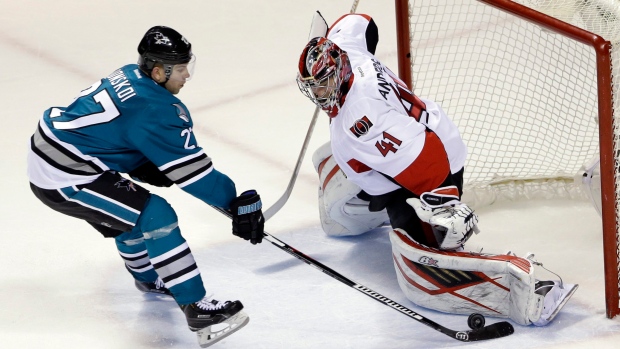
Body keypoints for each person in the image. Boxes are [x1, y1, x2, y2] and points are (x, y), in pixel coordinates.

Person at [295, 13, 577, 327]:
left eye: (324, 84)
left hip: (432, 167)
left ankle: (525, 286)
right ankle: (376, 202)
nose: (319, 94)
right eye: (313, 87)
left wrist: (442, 202)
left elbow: (427, 156)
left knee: (420, 266)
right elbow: (361, 21)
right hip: (423, 134)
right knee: (344, 165)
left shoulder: (360, 122)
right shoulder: (345, 46)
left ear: (341, 69)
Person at [27, 25, 264, 347]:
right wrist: (234, 203)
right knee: (154, 216)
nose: (187, 76)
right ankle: (196, 306)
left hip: (56, 153)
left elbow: (116, 136)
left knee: (128, 218)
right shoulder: (156, 108)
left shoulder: (130, 75)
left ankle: (149, 280)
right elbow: (194, 175)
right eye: (180, 69)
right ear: (157, 71)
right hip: (65, 173)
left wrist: (143, 168)